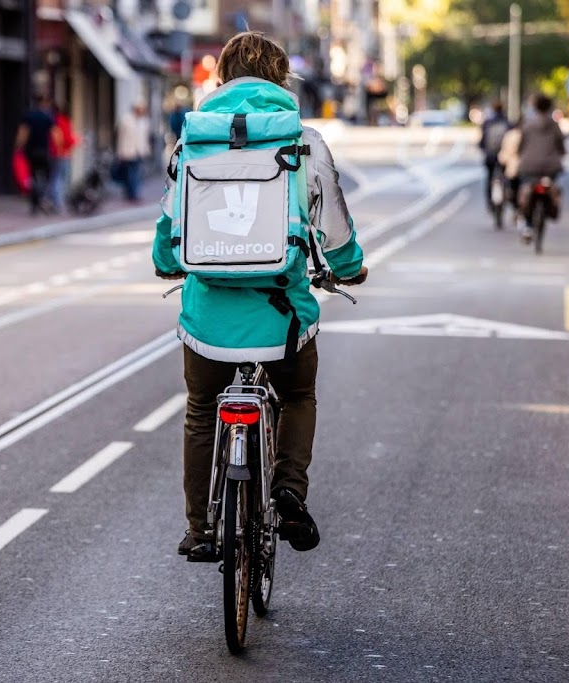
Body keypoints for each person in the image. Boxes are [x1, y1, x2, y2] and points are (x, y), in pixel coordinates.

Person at [152, 31, 369, 562]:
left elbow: (169, 222)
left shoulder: (193, 140)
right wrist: (349, 269)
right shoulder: (303, 139)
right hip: (282, 318)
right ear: (280, 78)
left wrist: (164, 264)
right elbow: (334, 228)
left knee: (203, 409)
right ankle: (289, 489)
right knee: (297, 395)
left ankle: (200, 528)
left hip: (208, 319)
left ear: (221, 77)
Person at [516, 94, 566, 238]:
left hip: (529, 166)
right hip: (551, 167)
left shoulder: (527, 124)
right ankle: (552, 205)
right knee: (552, 186)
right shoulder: (554, 125)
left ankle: (526, 221)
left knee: (524, 187)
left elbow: (521, 146)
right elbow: (561, 146)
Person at [15, 94, 62, 215]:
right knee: (48, 177)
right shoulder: (48, 117)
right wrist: (58, 149)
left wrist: (19, 147)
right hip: (44, 151)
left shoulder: (28, 116)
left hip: (30, 151)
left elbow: (23, 134)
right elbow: (56, 134)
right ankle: (44, 199)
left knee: (32, 176)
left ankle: (34, 202)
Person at [116, 101, 152, 202]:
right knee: (129, 174)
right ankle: (130, 194)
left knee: (136, 174)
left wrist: (147, 150)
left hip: (139, 151)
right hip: (128, 151)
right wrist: (120, 152)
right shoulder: (126, 120)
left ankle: (134, 194)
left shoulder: (144, 121)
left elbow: (145, 138)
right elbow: (121, 137)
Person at [49, 103, 79, 214]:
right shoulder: (62, 121)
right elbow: (65, 138)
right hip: (61, 153)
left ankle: (55, 201)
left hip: (56, 153)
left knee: (56, 177)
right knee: (59, 178)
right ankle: (57, 202)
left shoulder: (54, 120)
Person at [479, 102, 510, 207]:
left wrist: (483, 148)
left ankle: (489, 201)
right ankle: (506, 196)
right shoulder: (508, 123)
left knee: (489, 177)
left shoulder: (487, 123)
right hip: (505, 156)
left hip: (490, 156)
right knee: (506, 177)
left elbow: (482, 141)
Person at [497, 119, 522, 213]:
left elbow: (504, 151)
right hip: (523, 167)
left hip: (511, 166)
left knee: (511, 186)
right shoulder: (525, 134)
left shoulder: (509, 135)